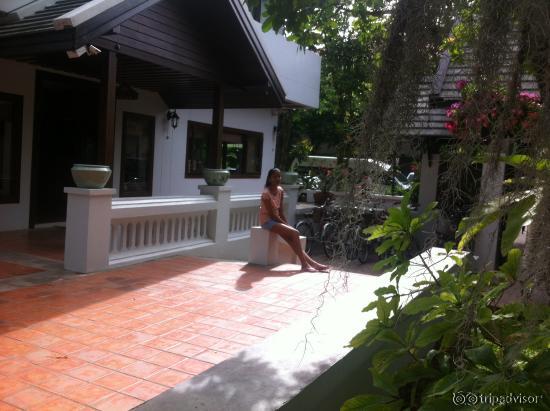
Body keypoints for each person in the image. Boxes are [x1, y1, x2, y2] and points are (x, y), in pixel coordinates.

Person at [260, 168, 330, 272]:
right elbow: (272, 216)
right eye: (275, 177)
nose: (278, 179)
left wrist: (286, 224)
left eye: (279, 176)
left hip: (276, 221)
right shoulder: (266, 194)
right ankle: (305, 265)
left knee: (293, 241)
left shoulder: (280, 190)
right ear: (269, 179)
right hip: (267, 222)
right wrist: (287, 226)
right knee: (295, 233)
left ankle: (313, 264)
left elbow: (280, 212)